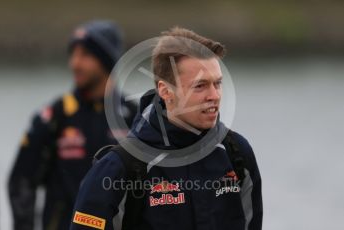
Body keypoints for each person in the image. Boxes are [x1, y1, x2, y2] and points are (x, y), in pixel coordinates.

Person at [70, 27, 263, 230]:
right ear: (165, 91)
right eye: (200, 86)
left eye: (218, 83)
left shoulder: (236, 153)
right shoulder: (119, 168)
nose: (214, 95)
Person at [8, 20, 137, 230]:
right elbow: (21, 182)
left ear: (106, 61)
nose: (75, 63)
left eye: (85, 55)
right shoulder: (54, 117)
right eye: (73, 54)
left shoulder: (135, 117)